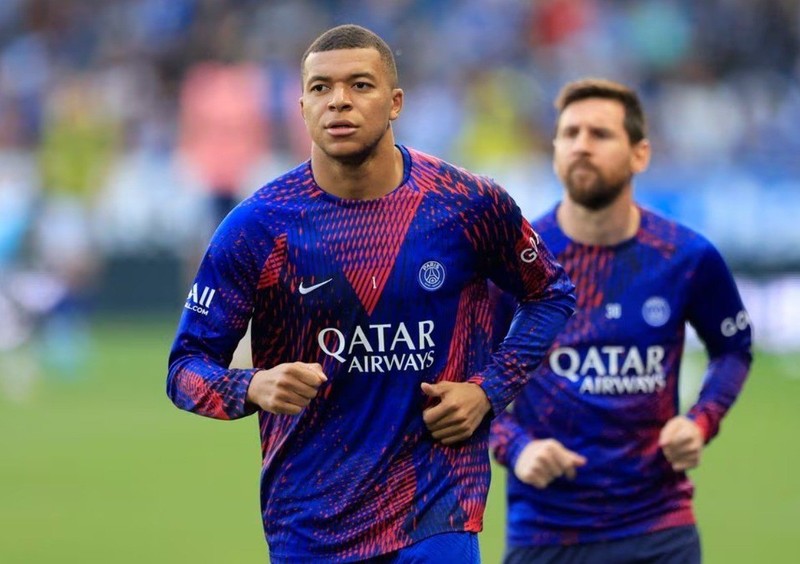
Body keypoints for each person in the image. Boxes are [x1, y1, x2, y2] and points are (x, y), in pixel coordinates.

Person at [166, 24, 575, 563]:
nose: (339, 101)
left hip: (435, 514)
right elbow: (185, 369)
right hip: (310, 524)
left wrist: (487, 391)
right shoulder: (258, 227)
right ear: (303, 106)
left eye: (360, 85)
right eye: (320, 89)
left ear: (395, 102)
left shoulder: (466, 205)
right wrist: (253, 387)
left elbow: (551, 293)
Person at [490, 78, 753, 564]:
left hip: (659, 526)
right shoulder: (518, 260)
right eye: (569, 134)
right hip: (548, 531)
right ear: (554, 150)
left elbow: (733, 349)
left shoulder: (684, 256)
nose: (581, 146)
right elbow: (462, 374)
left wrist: (700, 423)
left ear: (640, 154)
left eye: (599, 134)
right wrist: (516, 447)